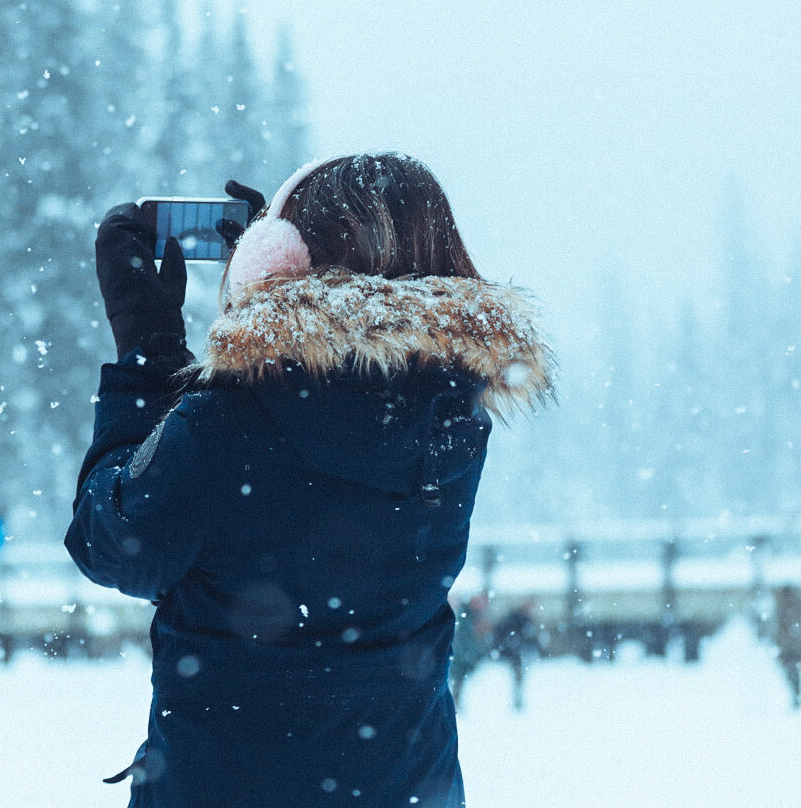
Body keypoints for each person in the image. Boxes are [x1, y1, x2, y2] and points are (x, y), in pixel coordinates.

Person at [69, 153, 552, 807]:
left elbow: (116, 543)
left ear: (284, 259)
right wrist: (278, 298)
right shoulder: (453, 413)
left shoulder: (230, 420)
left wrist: (148, 352)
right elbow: (339, 411)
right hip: (406, 784)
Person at [492, 600, 541, 714]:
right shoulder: (518, 619)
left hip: (516, 654)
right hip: (515, 654)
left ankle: (517, 701)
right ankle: (517, 701)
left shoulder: (519, 618)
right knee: (517, 676)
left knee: (518, 677)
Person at [449, 594, 494, 711]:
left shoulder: (472, 615)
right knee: (456, 681)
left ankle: (456, 703)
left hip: (466, 655)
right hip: (461, 655)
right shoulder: (465, 615)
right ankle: (454, 704)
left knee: (459, 681)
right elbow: (464, 637)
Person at [772, 585, 801, 710]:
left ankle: (796, 695)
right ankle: (796, 695)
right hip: (792, 648)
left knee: (792, 673)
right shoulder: (792, 607)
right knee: (794, 673)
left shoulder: (784, 608)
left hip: (789, 648)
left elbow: (780, 629)